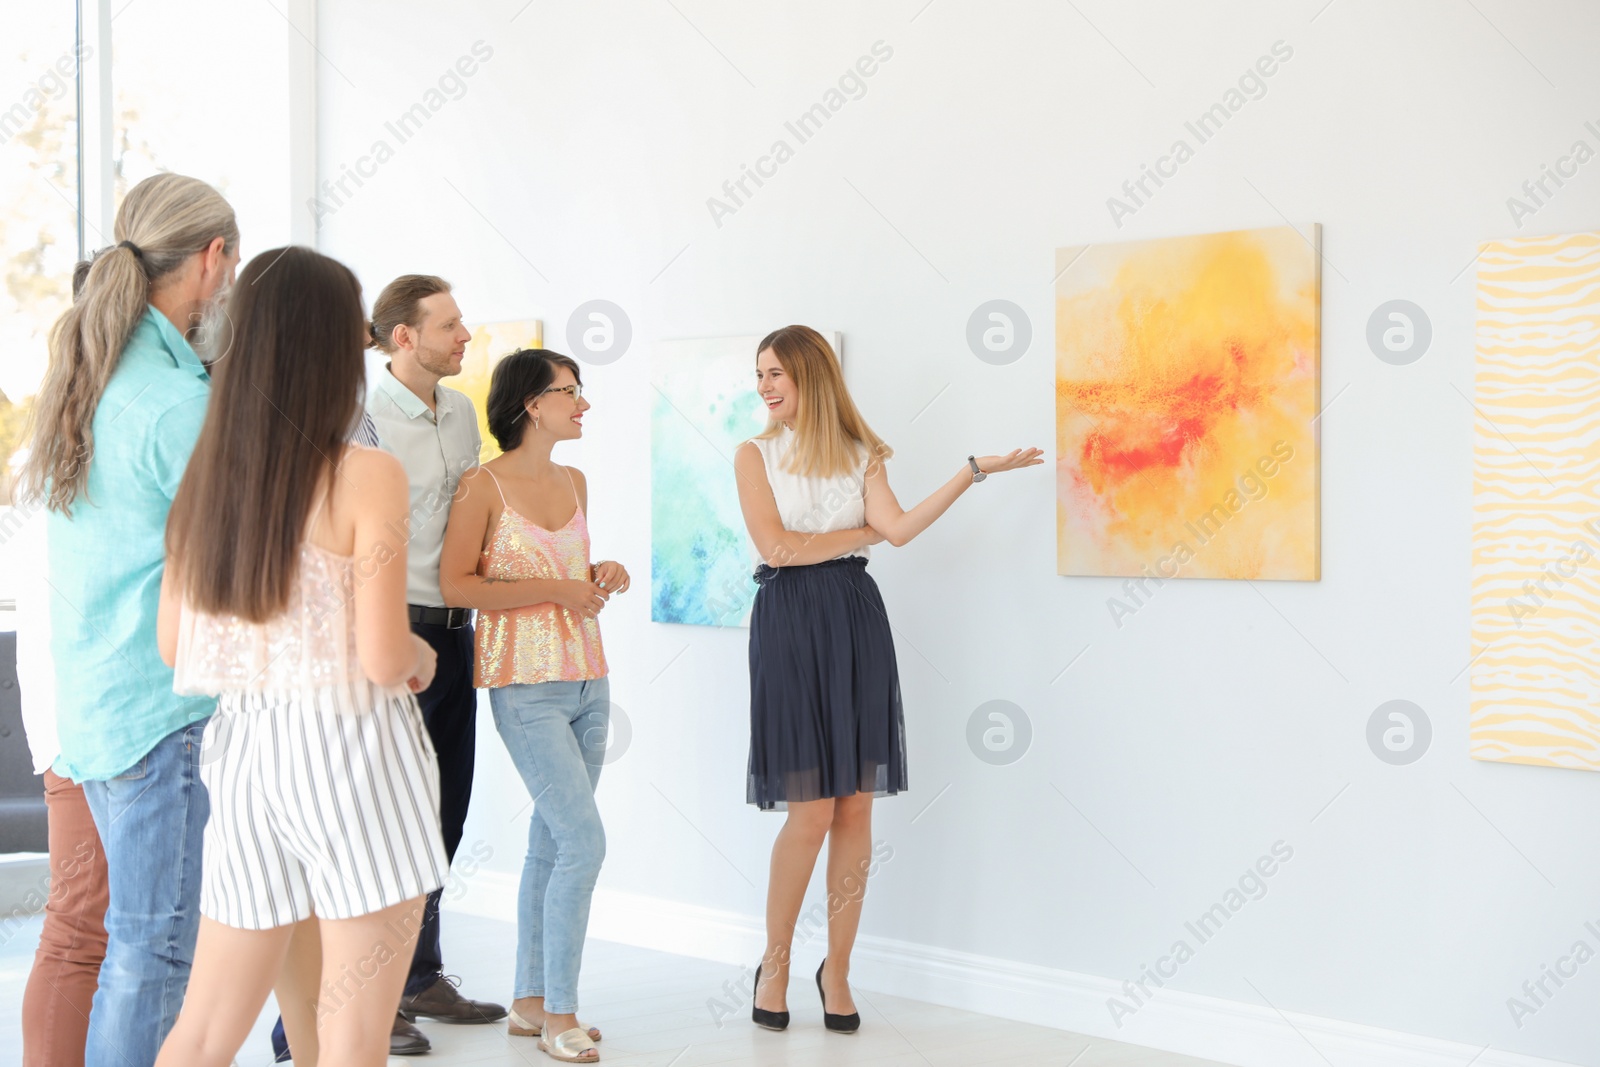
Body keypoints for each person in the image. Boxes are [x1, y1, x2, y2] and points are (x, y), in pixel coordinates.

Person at [151, 246, 448, 1067]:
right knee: (353, 1040)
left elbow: (176, 644)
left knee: (207, 1028)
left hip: (245, 751)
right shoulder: (367, 473)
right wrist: (421, 652)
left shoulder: (205, 483)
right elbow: (385, 654)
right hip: (354, 754)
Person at [735, 325, 1040, 1034]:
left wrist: (972, 470)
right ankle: (774, 961)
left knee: (855, 807)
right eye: (760, 375)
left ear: (812, 375)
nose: (766, 387)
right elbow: (777, 546)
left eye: (777, 373)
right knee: (808, 809)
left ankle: (836, 968)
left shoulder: (861, 452)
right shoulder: (755, 454)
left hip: (854, 616)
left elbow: (898, 528)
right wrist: (859, 536)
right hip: (790, 619)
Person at [19, 173, 238, 1066]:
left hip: (97, 708)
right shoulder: (176, 401)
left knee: (129, 949)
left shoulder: (89, 373)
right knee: (151, 957)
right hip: (161, 713)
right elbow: (230, 559)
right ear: (213, 259)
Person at [440, 349, 626, 1064]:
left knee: (553, 842)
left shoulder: (576, 479)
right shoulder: (480, 485)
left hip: (590, 677)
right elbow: (458, 585)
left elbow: (574, 571)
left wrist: (603, 571)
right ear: (530, 404)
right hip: (525, 686)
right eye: (569, 392)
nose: (582, 404)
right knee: (584, 842)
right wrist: (555, 590)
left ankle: (527, 1002)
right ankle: (561, 1014)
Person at [16, 253, 114, 1067]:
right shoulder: (66, 442)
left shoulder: (66, 429)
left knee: (116, 928)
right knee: (82, 922)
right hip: (88, 725)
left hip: (101, 719)